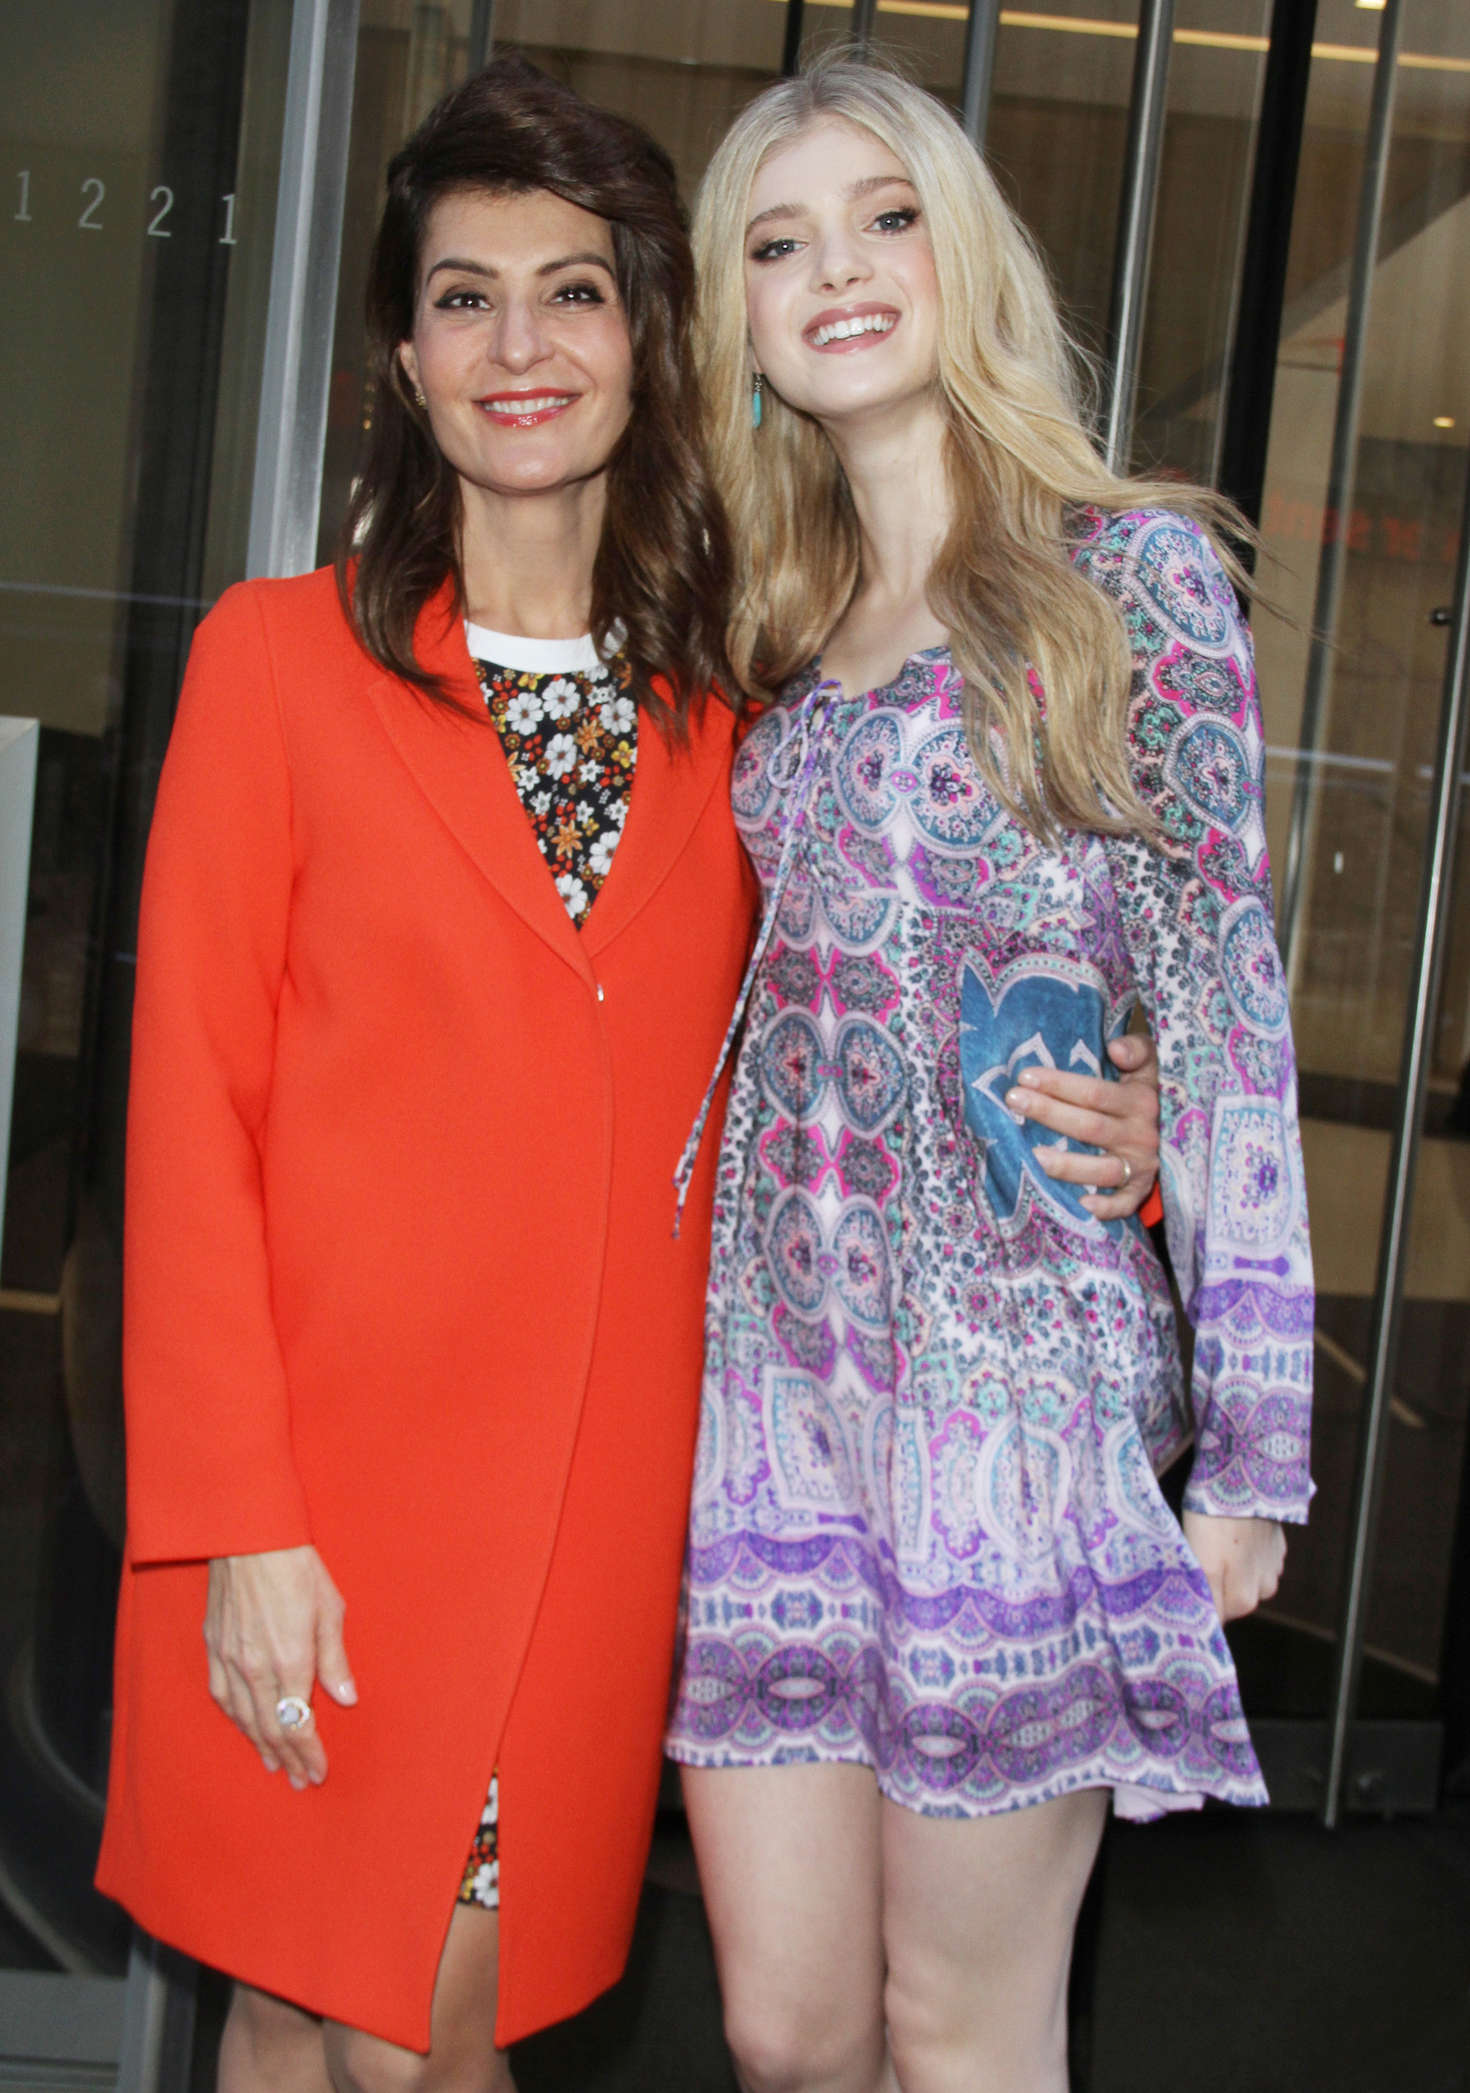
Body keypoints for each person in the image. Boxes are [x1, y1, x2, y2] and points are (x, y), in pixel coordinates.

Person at [96, 54, 1163, 2093]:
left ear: (647, 338)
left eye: (572, 292)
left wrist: (1126, 1109)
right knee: (290, 2013)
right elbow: (188, 1118)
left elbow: (920, 984)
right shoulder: (277, 660)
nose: (520, 345)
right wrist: (236, 1523)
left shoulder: (744, 700)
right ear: (403, 360)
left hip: (595, 1522)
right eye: (463, 296)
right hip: (312, 1508)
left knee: (417, 2040)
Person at [665, 56, 1314, 2093]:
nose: (835, 270)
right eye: (778, 242)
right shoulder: (762, 618)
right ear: (738, 319)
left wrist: (1258, 1454)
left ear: (968, 257)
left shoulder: (1129, 582)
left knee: (961, 2033)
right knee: (783, 2034)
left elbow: (1221, 1019)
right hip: (770, 1408)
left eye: (886, 217)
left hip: (1008, 1413)